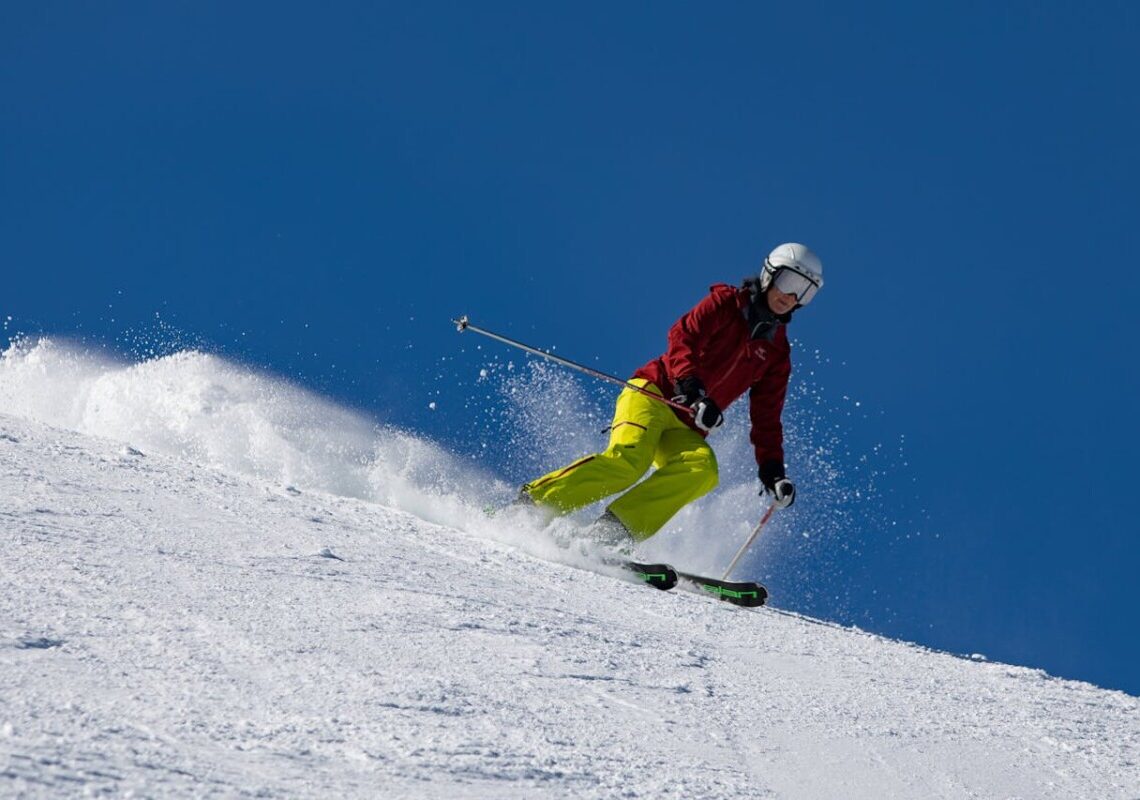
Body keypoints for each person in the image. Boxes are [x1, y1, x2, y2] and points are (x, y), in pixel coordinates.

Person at [520, 242, 823, 548]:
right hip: (654, 393)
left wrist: (773, 473)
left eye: (805, 292)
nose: (791, 296)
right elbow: (683, 337)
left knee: (702, 470)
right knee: (629, 462)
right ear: (769, 274)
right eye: (789, 282)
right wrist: (691, 389)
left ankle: (610, 532)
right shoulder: (726, 303)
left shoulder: (776, 354)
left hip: (686, 426)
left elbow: (766, 418)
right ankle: (533, 506)